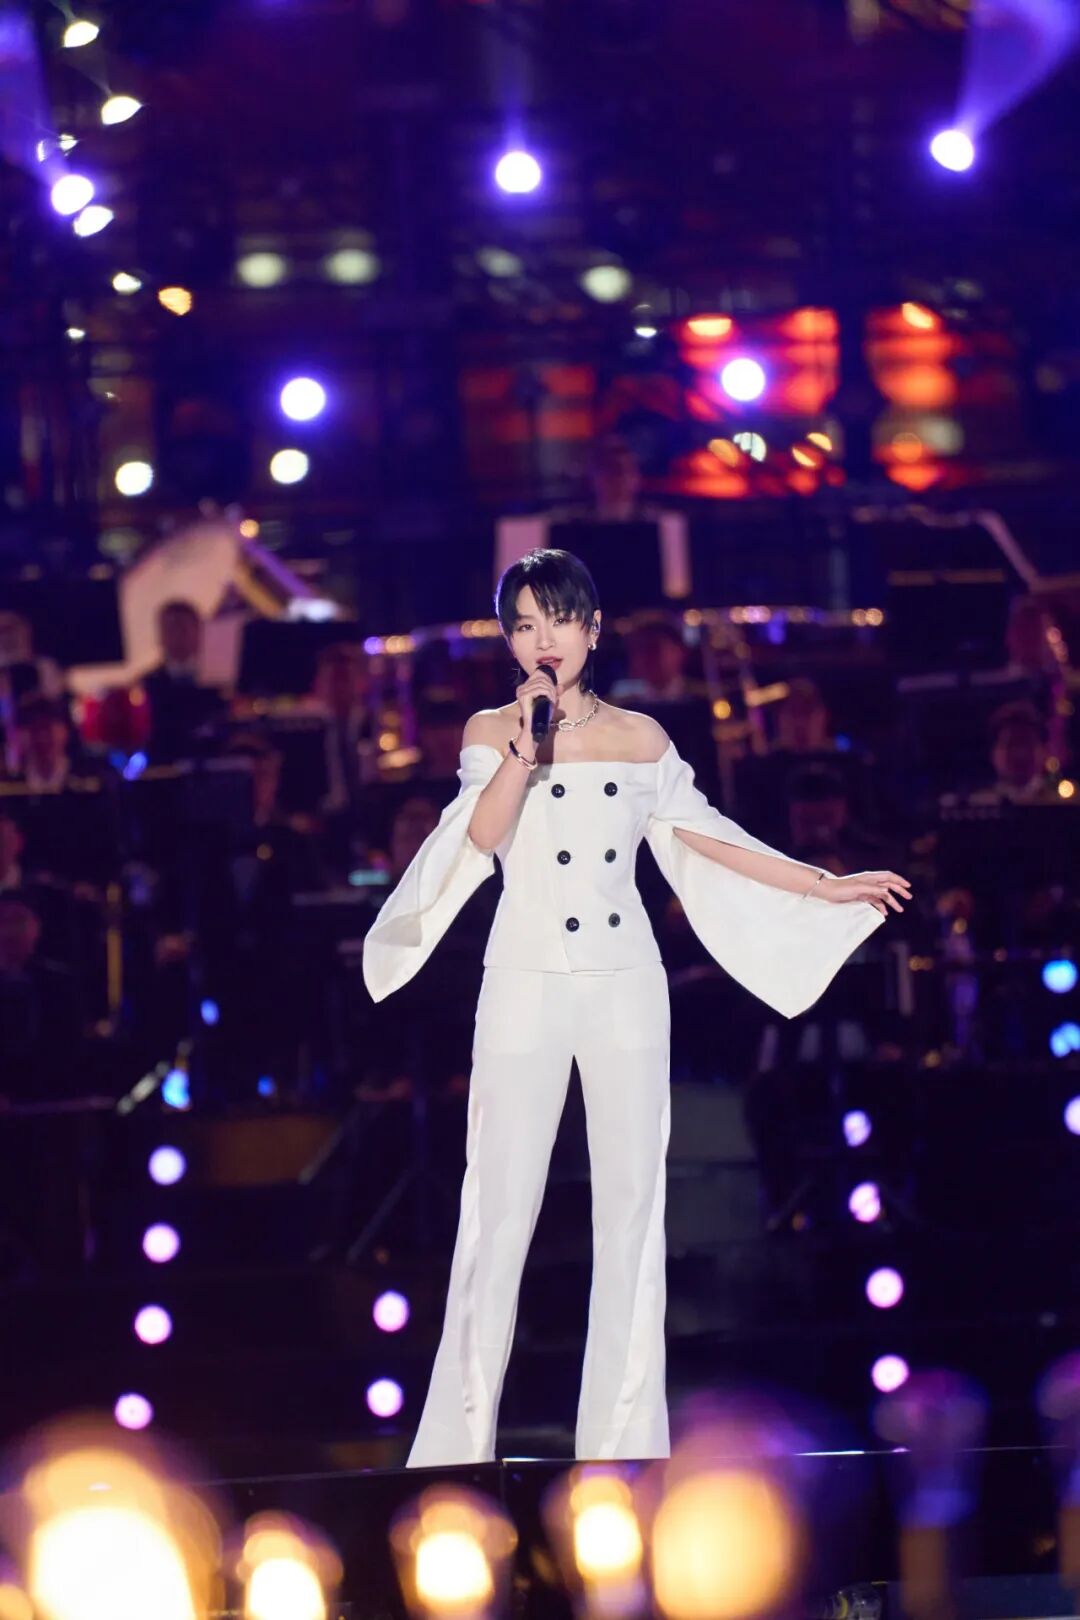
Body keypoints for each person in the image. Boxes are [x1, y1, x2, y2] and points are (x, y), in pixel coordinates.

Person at [362, 548, 911, 1466]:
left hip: (625, 982)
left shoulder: (643, 738)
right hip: (524, 980)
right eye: (524, 625)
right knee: (496, 1207)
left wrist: (824, 884)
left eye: (557, 620)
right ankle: (455, 1448)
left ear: (592, 628)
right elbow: (483, 836)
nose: (543, 640)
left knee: (631, 1209)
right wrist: (524, 747)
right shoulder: (493, 728)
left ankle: (619, 1443)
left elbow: (711, 838)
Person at [140, 599, 227, 763]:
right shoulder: (147, 684)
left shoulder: (220, 680)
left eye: (182, 628)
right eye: (170, 628)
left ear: (199, 632)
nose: (177, 635)